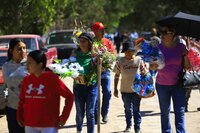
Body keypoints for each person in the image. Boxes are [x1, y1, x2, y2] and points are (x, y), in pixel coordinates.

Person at [17, 50, 74, 133]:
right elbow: (22, 100)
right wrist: (19, 116)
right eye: (26, 62)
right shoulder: (26, 80)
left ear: (40, 65)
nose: (26, 65)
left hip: (49, 124)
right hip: (30, 123)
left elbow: (69, 96)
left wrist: (63, 118)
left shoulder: (53, 79)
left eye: (30, 63)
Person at [150, 26, 191, 133]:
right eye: (161, 32)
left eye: (165, 33)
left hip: (178, 84)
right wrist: (153, 65)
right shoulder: (157, 48)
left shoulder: (181, 47)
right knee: (165, 111)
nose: (161, 35)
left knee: (180, 111)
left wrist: (186, 54)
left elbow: (188, 66)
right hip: (162, 85)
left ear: (172, 34)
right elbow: (152, 67)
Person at [113, 40, 143, 133]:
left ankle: (137, 127)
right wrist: (115, 89)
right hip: (125, 90)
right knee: (127, 109)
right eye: (126, 52)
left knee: (136, 109)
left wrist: (143, 90)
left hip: (137, 90)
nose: (128, 53)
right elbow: (116, 75)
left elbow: (144, 74)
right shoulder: (120, 61)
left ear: (134, 51)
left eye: (130, 51)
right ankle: (128, 126)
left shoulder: (139, 60)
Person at [72, 32, 98, 133]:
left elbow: (101, 69)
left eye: (84, 41)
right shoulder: (75, 54)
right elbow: (69, 67)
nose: (81, 43)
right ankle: (79, 130)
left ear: (89, 42)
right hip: (78, 87)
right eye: (80, 41)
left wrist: (100, 64)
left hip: (92, 86)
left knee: (90, 113)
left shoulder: (95, 55)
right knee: (80, 113)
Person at [92, 22, 116, 123]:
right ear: (94, 32)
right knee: (95, 95)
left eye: (103, 30)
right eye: (100, 30)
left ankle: (104, 113)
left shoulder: (107, 41)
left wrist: (107, 61)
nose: (102, 32)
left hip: (105, 72)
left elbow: (113, 54)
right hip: (94, 72)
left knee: (107, 92)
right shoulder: (90, 42)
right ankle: (96, 115)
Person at [2, 38, 27, 133]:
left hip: (30, 108)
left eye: (24, 48)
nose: (23, 51)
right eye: (19, 49)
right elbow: (6, 86)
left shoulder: (31, 64)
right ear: (11, 51)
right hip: (12, 108)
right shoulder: (5, 67)